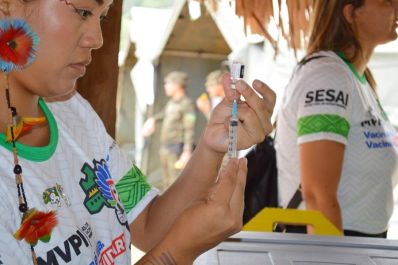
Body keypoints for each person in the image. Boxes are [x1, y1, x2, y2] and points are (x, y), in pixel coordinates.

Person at [0, 0, 276, 264]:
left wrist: (211, 147)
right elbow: (166, 243)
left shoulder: (74, 113)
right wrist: (175, 254)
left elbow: (149, 224)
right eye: (83, 12)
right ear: (5, 9)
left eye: (103, 16)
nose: (97, 38)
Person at [276, 0, 398, 237]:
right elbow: (317, 195)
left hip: (356, 246)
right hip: (328, 247)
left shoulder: (357, 80)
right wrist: (335, 257)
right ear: (351, 13)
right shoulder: (327, 76)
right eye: (386, 2)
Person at [142, 71, 196, 190]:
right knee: (166, 183)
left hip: (176, 149)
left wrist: (187, 151)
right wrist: (153, 119)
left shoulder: (186, 104)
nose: (165, 86)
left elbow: (189, 129)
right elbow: (163, 115)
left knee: (175, 183)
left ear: (177, 85)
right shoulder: (171, 103)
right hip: (166, 148)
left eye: (168, 83)